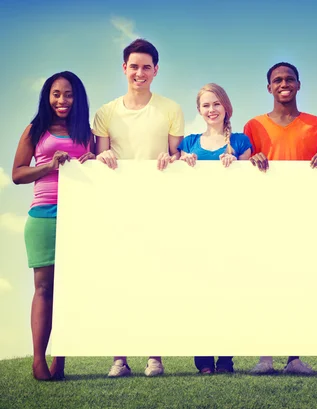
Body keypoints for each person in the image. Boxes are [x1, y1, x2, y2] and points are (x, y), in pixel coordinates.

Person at [93, 38, 185, 377]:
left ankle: (154, 356)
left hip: (159, 206)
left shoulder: (170, 109)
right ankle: (120, 356)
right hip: (118, 207)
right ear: (124, 68)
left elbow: (177, 156)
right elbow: (99, 156)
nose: (140, 72)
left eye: (147, 67)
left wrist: (172, 157)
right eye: (134, 66)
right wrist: (102, 154)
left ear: (156, 70)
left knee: (155, 277)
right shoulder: (106, 112)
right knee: (120, 278)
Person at [243, 62, 317, 374]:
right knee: (266, 285)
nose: (283, 84)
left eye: (289, 79)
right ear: (269, 88)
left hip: (304, 218)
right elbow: (243, 164)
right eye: (277, 80)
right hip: (265, 217)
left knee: (298, 287)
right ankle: (265, 357)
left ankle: (294, 357)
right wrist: (251, 158)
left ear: (299, 84)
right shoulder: (253, 126)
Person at [12, 71, 95, 381]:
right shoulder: (36, 130)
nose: (62, 100)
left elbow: (102, 170)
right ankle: (38, 361)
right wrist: (49, 165)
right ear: (48, 96)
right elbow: (18, 174)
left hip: (80, 217)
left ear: (78, 98)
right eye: (57, 94)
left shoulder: (86, 131)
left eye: (69, 94)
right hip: (43, 215)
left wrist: (93, 162)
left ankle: (60, 361)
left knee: (69, 290)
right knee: (44, 288)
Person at [179, 83, 252, 374]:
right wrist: (182, 162)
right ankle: (203, 360)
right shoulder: (188, 143)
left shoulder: (241, 141)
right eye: (206, 105)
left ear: (226, 108)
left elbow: (250, 187)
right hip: (197, 226)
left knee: (228, 291)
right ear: (199, 110)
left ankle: (225, 358)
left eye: (216, 104)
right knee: (200, 291)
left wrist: (237, 166)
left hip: (230, 226)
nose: (211, 110)